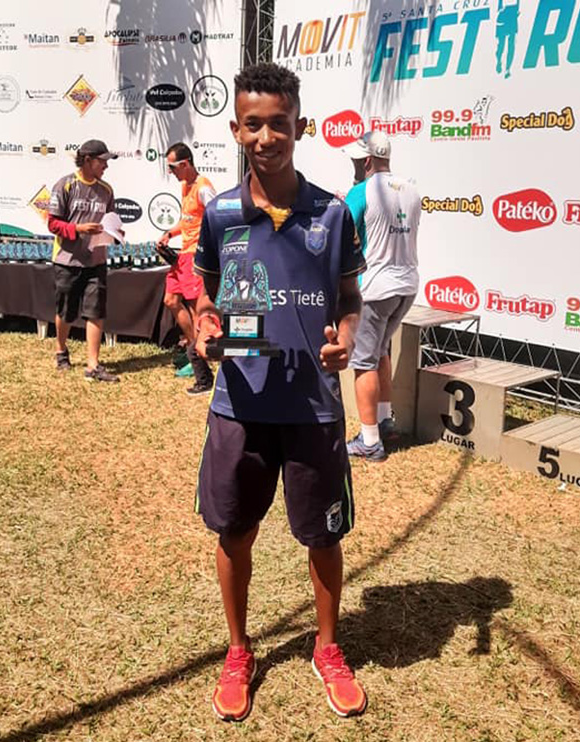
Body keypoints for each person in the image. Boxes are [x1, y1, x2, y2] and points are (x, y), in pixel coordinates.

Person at [193, 63, 368, 722]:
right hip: (241, 402)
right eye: (253, 124)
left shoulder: (331, 214)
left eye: (279, 124)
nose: (266, 137)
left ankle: (327, 649)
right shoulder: (220, 215)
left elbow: (348, 297)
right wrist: (207, 327)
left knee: (322, 536)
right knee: (235, 532)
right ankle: (238, 651)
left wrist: (346, 337)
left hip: (313, 408)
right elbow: (207, 299)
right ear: (236, 128)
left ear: (301, 127)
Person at [342, 131, 421, 462]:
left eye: (357, 161)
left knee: (363, 363)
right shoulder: (412, 189)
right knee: (380, 353)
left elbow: (343, 235)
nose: (355, 166)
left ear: (368, 160)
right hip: (407, 285)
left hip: (375, 287)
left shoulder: (361, 191)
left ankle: (370, 440)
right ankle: (385, 422)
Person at [47, 139, 120, 382]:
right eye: (103, 161)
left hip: (96, 260)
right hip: (67, 260)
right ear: (87, 160)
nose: (106, 167)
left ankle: (93, 365)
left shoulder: (107, 190)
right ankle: (60, 350)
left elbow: (109, 221)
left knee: (96, 311)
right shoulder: (65, 185)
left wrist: (115, 233)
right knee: (66, 312)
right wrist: (78, 228)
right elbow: (52, 223)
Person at [157, 142, 216, 395]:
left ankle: (201, 371)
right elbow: (189, 220)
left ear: (185, 163)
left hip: (196, 258)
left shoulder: (204, 187)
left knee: (195, 311)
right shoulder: (185, 186)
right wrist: (169, 233)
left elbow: (215, 219)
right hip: (183, 255)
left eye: (172, 167)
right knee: (171, 300)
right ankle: (195, 347)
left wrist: (208, 254)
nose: (170, 172)